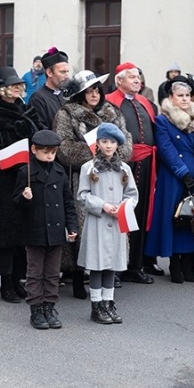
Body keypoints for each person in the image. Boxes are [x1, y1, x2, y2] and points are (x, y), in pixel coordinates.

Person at [55, 70, 136, 291]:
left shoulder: (112, 112)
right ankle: (78, 276)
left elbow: (126, 142)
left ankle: (110, 272)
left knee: (111, 224)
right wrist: (93, 152)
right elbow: (63, 148)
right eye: (88, 91)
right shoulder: (67, 113)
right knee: (84, 227)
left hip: (112, 175)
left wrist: (111, 154)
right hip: (83, 175)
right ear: (80, 94)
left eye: (96, 90)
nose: (93, 95)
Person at [0, 67, 43, 303]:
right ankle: (6, 283)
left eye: (19, 85)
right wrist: (12, 137)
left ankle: (18, 279)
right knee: (6, 233)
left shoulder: (27, 110)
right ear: (2, 88)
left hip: (25, 178)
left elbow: (41, 136)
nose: (18, 87)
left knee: (23, 232)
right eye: (13, 85)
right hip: (2, 182)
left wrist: (29, 131)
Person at [144, 76, 194, 283]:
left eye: (187, 95)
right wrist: (183, 173)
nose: (184, 99)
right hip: (175, 177)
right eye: (180, 96)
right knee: (176, 219)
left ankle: (189, 263)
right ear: (171, 98)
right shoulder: (163, 120)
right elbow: (166, 149)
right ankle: (175, 264)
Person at [14, 130, 78, 329]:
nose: (50, 156)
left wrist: (72, 226)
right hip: (35, 231)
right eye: (45, 152)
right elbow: (15, 204)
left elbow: (68, 203)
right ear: (34, 149)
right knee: (35, 272)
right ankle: (36, 309)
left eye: (53, 152)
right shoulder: (26, 172)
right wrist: (24, 197)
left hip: (56, 232)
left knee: (52, 273)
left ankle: (50, 306)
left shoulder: (59, 172)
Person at [76, 123, 138, 325]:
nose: (108, 145)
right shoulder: (89, 167)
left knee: (111, 265)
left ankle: (108, 302)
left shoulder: (125, 169)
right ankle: (96, 305)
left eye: (112, 142)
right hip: (97, 222)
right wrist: (102, 205)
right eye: (104, 141)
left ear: (117, 145)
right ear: (98, 144)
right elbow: (83, 195)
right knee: (97, 264)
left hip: (117, 222)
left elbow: (132, 194)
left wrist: (123, 207)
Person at [105, 62, 161, 278]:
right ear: (119, 80)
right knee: (119, 213)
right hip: (122, 165)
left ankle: (134, 266)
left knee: (140, 212)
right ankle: (115, 268)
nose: (137, 80)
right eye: (132, 77)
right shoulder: (110, 103)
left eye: (138, 77)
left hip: (147, 165)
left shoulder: (146, 102)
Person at [29, 47, 71, 130]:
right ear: (49, 73)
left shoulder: (69, 94)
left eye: (67, 72)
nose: (66, 76)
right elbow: (41, 130)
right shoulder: (37, 98)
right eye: (62, 72)